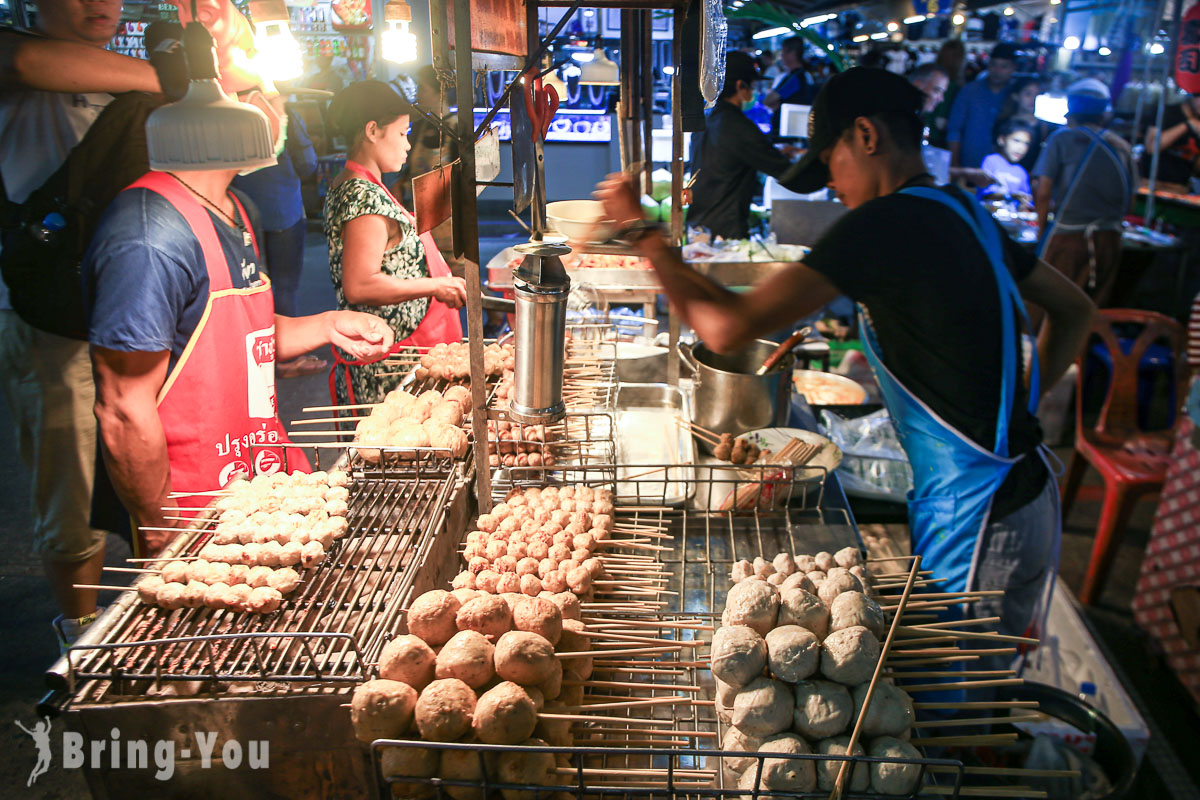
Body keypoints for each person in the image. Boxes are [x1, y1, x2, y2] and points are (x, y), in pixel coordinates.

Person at [596, 68, 1094, 644]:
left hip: (981, 521)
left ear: (866, 135)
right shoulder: (962, 211)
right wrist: (1015, 417)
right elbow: (1075, 309)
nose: (833, 186)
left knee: (957, 703)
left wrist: (641, 231)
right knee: (972, 690)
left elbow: (725, 329)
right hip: (1019, 491)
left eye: (830, 162)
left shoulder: (881, 224)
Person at [84, 161, 393, 556]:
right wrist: (163, 533)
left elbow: (238, 329)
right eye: (266, 99)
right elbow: (122, 406)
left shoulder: (237, 206)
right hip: (192, 499)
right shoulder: (147, 234)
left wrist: (328, 325)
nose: (278, 113)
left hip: (258, 472)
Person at [0, 0, 162, 648]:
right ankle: (82, 637)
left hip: (125, 303)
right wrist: (169, 81)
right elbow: (31, 60)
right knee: (69, 487)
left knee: (149, 462)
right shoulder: (19, 52)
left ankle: (164, 613)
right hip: (46, 315)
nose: (99, 5)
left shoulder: (118, 71)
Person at [323, 81, 466, 405]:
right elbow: (359, 285)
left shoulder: (361, 185)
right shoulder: (361, 196)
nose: (407, 145)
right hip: (385, 371)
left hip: (393, 359)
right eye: (402, 134)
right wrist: (432, 287)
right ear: (373, 130)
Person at [233, 106, 322, 377]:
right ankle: (285, 358)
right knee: (283, 287)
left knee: (251, 288)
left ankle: (256, 357)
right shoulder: (283, 112)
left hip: (240, 210)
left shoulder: (232, 112)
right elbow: (307, 163)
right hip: (282, 208)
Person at [1033, 78, 1136, 309]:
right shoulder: (1122, 145)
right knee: (1091, 310)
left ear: (1070, 111)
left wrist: (1042, 232)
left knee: (1050, 308)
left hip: (1067, 239)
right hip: (1109, 241)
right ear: (1104, 114)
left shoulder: (1061, 138)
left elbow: (1043, 192)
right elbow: (1130, 203)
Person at [686, 51, 809, 240]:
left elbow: (722, 158)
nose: (754, 93)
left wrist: (775, 150)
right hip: (725, 234)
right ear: (739, 86)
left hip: (697, 228)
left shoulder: (706, 121)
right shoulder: (738, 126)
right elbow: (788, 173)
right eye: (752, 86)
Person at [394, 65, 462, 279]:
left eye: (422, 88)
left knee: (459, 274)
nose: (420, 94)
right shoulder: (421, 127)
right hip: (419, 217)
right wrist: (401, 183)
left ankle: (492, 312)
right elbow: (411, 168)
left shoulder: (456, 128)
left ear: (438, 91)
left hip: (449, 222)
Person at [947, 42, 1018, 169]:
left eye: (1004, 67)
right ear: (988, 65)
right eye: (994, 65)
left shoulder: (1017, 95)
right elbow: (954, 130)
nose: (998, 71)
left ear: (1013, 68)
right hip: (967, 166)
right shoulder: (969, 91)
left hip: (1002, 172)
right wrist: (954, 164)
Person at [1143, 91, 1200, 188]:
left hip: (1179, 189)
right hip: (1150, 185)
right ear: (1192, 96)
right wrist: (1187, 125)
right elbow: (1151, 147)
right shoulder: (1165, 112)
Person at [996, 76, 1050, 174]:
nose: (1033, 99)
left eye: (1036, 95)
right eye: (1028, 94)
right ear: (1015, 96)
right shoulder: (1004, 122)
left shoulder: (1042, 126)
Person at [764, 37, 815, 132]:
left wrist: (777, 103)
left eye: (783, 53)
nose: (781, 56)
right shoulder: (800, 76)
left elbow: (769, 100)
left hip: (789, 133)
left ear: (792, 54)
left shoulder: (795, 79)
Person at [979, 119, 1033, 208]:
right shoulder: (991, 160)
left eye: (1026, 144)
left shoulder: (1021, 172)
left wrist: (1024, 203)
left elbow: (1025, 201)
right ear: (1002, 140)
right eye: (1016, 141)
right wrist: (1012, 196)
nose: (1021, 148)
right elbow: (987, 195)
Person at [927, 38, 966, 149]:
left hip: (926, 132)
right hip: (939, 138)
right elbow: (941, 121)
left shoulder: (931, 75)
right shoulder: (951, 84)